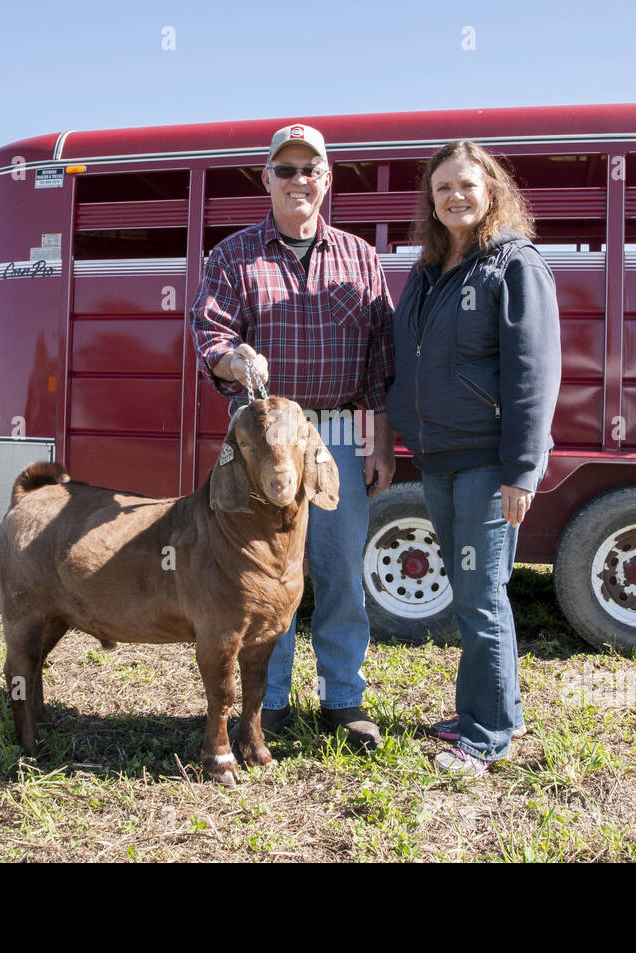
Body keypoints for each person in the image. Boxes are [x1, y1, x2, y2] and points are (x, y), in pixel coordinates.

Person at [189, 122, 396, 750]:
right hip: (258, 445)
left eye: (310, 170)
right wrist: (232, 359)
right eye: (286, 170)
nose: (298, 180)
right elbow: (209, 334)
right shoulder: (233, 255)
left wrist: (380, 442)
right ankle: (265, 701)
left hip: (334, 436)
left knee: (336, 572)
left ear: (327, 180)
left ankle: (344, 698)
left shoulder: (361, 256)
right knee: (259, 576)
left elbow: (381, 359)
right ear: (267, 180)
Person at [385, 140, 561, 777]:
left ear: (491, 190)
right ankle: (493, 712)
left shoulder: (513, 265)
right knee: (470, 592)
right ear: (430, 202)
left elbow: (533, 373)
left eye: (466, 184)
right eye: (442, 189)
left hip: (488, 463)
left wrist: (522, 470)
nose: (454, 197)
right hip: (437, 457)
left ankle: (486, 737)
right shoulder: (428, 270)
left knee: (482, 597)